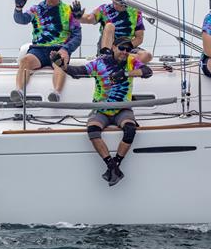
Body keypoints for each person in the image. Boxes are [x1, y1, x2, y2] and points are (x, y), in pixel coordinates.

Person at [51, 36, 152, 186]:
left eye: (128, 49)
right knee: (92, 131)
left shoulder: (131, 61)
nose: (125, 52)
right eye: (122, 48)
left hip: (122, 108)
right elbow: (78, 72)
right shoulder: (100, 62)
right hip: (101, 109)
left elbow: (147, 71)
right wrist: (62, 65)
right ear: (113, 47)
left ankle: (115, 164)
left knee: (130, 129)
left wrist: (125, 74)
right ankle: (112, 167)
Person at [12, 0, 82, 102]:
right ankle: (18, 92)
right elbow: (21, 20)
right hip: (38, 49)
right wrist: (18, 8)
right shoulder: (36, 9)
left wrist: (66, 49)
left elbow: (77, 36)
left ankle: (56, 93)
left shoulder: (69, 11)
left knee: (59, 62)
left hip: (59, 48)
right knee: (25, 60)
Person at [79, 0, 153, 63]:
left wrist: (123, 49)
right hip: (108, 47)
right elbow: (89, 18)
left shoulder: (136, 12)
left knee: (147, 56)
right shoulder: (104, 9)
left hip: (126, 47)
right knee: (109, 26)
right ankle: (106, 57)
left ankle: (117, 60)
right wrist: (78, 16)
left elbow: (139, 38)